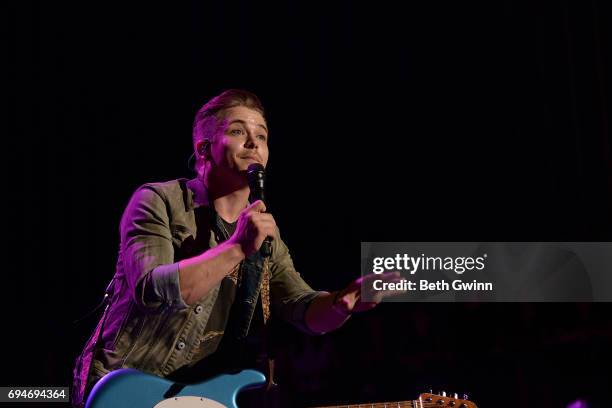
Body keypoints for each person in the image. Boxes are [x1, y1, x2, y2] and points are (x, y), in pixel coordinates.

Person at [72, 89, 400, 407]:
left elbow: (301, 307)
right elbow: (154, 289)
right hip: (123, 387)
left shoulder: (267, 238)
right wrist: (237, 247)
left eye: (262, 135)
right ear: (203, 149)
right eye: (237, 130)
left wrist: (342, 303)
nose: (253, 142)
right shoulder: (158, 202)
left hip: (193, 397)